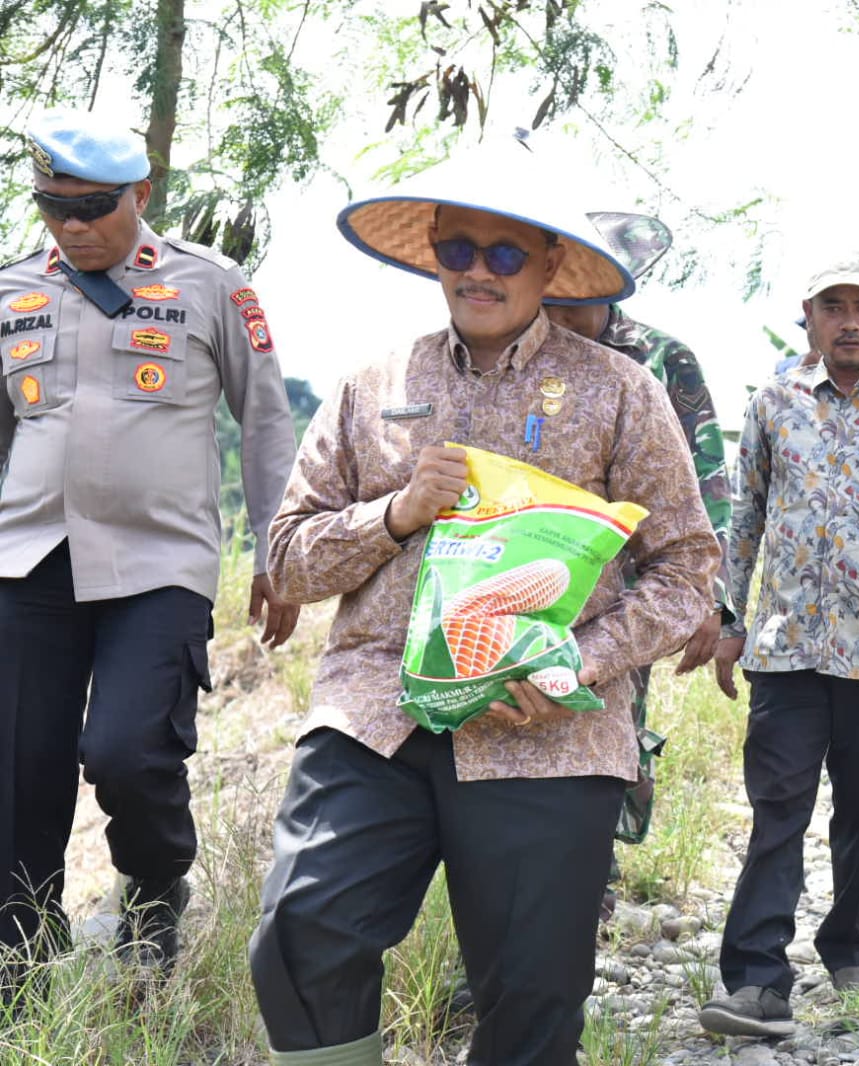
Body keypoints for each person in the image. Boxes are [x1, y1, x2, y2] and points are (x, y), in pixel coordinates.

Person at [247, 146, 720, 1066]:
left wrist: (574, 664)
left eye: (506, 255)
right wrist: (395, 513)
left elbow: (684, 570)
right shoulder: (372, 386)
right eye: (459, 249)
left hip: (546, 733)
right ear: (433, 254)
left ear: (549, 265)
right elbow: (288, 561)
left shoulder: (622, 391)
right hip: (376, 709)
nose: (478, 271)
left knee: (531, 991)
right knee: (304, 932)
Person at [0, 108, 299, 986]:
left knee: (127, 752)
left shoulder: (211, 284)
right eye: (54, 206)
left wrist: (276, 556)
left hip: (158, 564)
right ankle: (22, 950)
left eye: (94, 206)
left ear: (142, 192)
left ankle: (155, 882)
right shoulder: (12, 288)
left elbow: (269, 424)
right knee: (20, 768)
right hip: (29, 559)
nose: (74, 226)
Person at [697, 251, 859, 1038]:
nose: (847, 321)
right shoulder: (774, 403)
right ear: (807, 315)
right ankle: (757, 980)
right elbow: (746, 518)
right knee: (778, 809)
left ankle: (848, 943)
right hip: (787, 647)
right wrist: (729, 620)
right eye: (830, 306)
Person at [543, 214, 731, 877]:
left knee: (608, 730)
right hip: (526, 580)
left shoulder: (661, 360)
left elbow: (709, 480)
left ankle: (587, 894)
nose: (565, 311)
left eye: (582, 295)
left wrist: (713, 600)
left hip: (629, 595)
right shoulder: (513, 352)